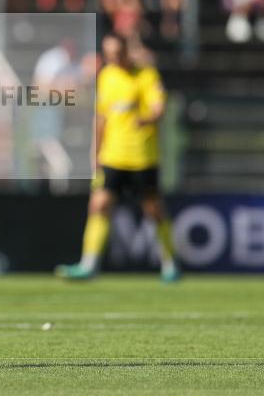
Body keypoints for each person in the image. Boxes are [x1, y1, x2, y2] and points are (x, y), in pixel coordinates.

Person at [56, 34, 179, 282]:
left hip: (142, 156)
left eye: (117, 53)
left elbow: (159, 108)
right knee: (99, 205)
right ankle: (88, 265)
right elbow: (101, 118)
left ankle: (169, 263)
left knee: (153, 210)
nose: (114, 59)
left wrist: (146, 118)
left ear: (126, 51)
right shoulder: (107, 76)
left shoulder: (146, 75)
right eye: (109, 54)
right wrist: (96, 151)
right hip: (112, 156)